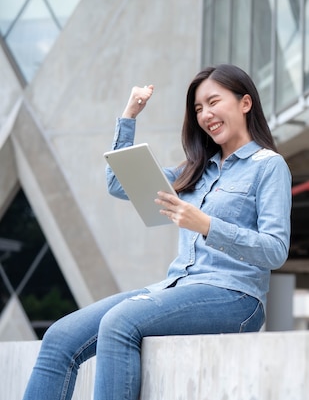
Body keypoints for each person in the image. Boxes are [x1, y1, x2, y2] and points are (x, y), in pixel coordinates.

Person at [22, 64, 292, 400]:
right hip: (177, 287)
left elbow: (275, 250)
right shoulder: (194, 172)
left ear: (245, 103)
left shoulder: (268, 166)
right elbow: (117, 182)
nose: (205, 114)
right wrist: (129, 115)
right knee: (60, 337)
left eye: (213, 102)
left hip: (235, 297)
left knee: (120, 322)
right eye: (198, 109)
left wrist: (206, 225)